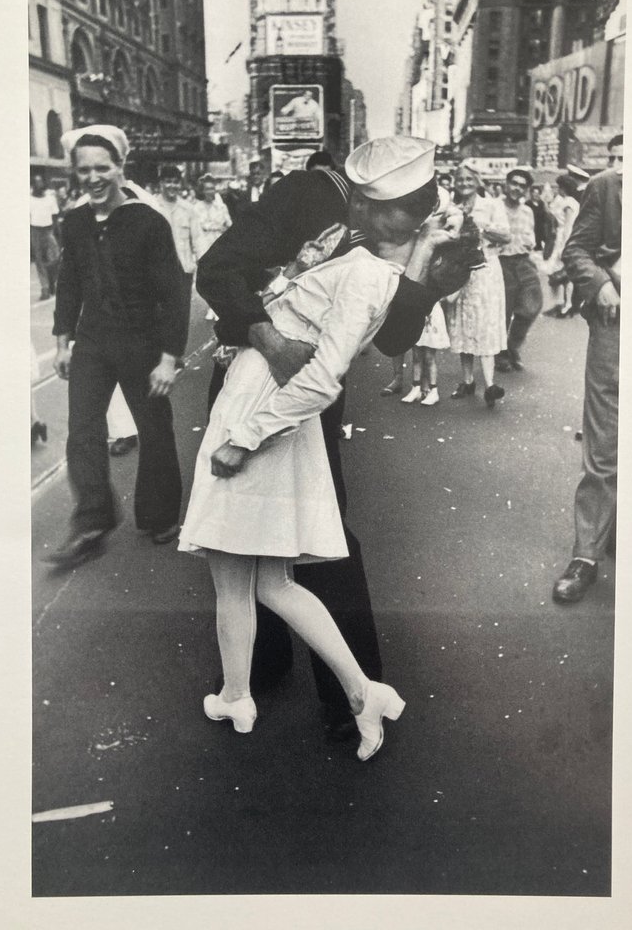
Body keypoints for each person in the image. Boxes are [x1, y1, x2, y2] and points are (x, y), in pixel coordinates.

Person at [181, 137, 460, 759]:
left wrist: (420, 274)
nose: (403, 232)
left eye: (416, 225)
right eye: (399, 221)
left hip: (297, 396)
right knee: (257, 550)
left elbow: (392, 341)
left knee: (307, 538)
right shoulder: (307, 195)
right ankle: (258, 671)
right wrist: (267, 336)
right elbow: (218, 269)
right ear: (368, 198)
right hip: (258, 366)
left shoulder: (396, 240)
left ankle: (344, 695)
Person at [46, 125, 189, 567]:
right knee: (83, 431)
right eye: (84, 169)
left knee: (154, 430)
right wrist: (62, 340)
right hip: (92, 341)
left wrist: (168, 358)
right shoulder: (75, 221)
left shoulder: (148, 221)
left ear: (120, 168)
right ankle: (93, 518)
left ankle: (160, 515)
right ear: (75, 172)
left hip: (142, 341)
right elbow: (69, 283)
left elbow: (175, 292)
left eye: (102, 168)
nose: (93, 177)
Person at [552, 134, 623, 604]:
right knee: (604, 443)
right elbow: (575, 250)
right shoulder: (606, 186)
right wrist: (600, 284)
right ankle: (587, 554)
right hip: (617, 324)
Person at [445, 162, 511, 407]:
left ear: (478, 181)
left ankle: (490, 384)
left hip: (486, 270)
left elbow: (506, 235)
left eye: (469, 179)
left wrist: (479, 227)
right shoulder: (451, 207)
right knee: (464, 322)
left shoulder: (491, 205)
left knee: (485, 323)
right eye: (460, 179)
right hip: (461, 270)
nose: (464, 184)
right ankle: (467, 380)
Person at [495, 168, 542, 373]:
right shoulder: (494, 207)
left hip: (523, 262)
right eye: (514, 183)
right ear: (506, 184)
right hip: (500, 262)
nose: (517, 188)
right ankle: (501, 354)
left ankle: (513, 346)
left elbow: (530, 238)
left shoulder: (527, 211)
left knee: (532, 305)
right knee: (502, 312)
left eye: (522, 186)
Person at [156, 165, 203, 323]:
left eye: (176, 182)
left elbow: (198, 241)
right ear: (161, 183)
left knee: (181, 317)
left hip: (183, 272)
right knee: (158, 317)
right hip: (157, 272)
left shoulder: (188, 209)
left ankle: (177, 348)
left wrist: (203, 267)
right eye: (168, 181)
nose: (172, 186)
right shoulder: (151, 207)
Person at [546, 174, 581, 317]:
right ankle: (561, 303)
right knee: (561, 273)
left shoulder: (569, 203)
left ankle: (566, 305)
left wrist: (565, 246)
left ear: (564, 188)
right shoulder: (567, 201)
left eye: (560, 187)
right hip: (560, 237)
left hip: (564, 238)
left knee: (564, 274)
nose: (558, 190)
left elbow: (568, 225)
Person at [30, 174, 61, 300]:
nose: (38, 185)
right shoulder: (28, 199)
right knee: (39, 260)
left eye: (40, 182)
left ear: (44, 183)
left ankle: (52, 283)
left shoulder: (50, 198)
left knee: (53, 259)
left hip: (49, 230)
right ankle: (45, 289)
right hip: (35, 230)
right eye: (36, 182)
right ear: (32, 185)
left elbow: (55, 216)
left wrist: (57, 233)